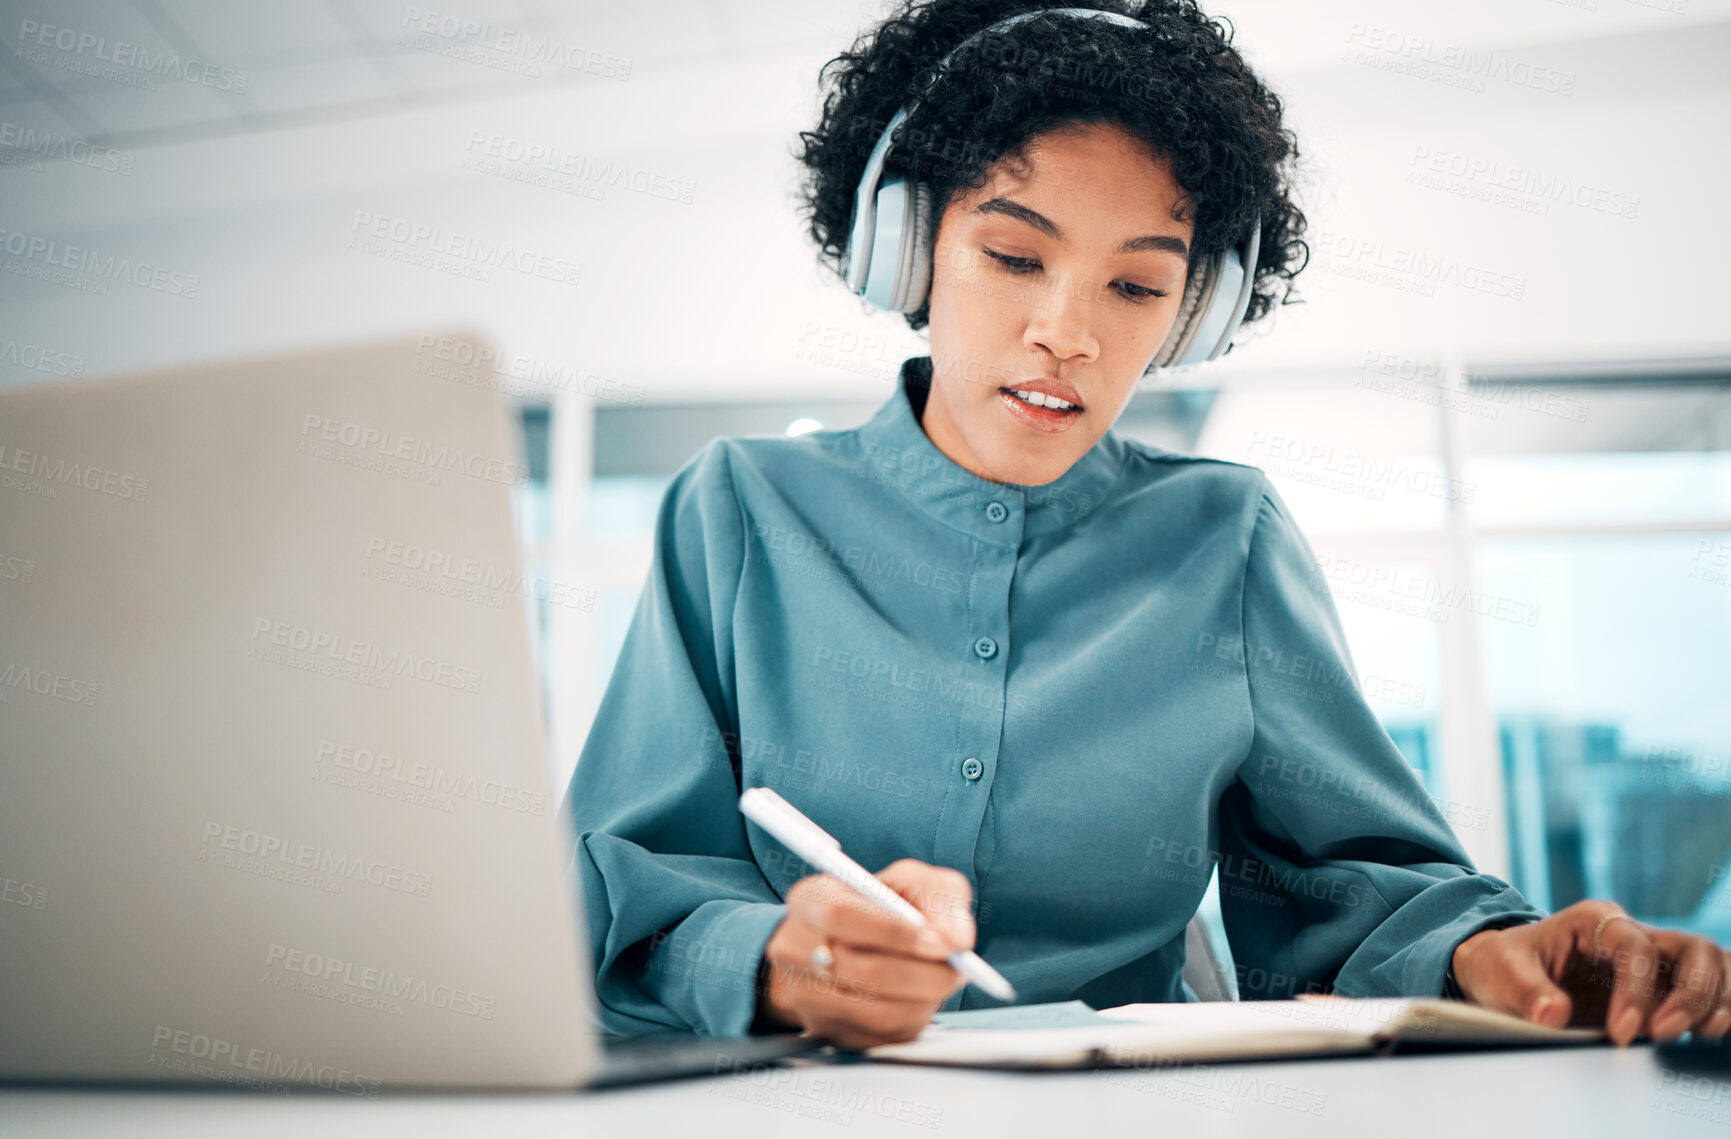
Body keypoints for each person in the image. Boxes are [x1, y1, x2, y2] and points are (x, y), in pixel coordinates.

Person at [562, 0, 1731, 1049]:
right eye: (1015, 256)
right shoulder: (739, 510)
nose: (1068, 332)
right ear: (909, 251)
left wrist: (1496, 953)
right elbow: (624, 876)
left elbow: (1356, 882)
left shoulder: (1222, 538)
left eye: (1134, 286)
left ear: (1193, 315)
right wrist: (767, 960)